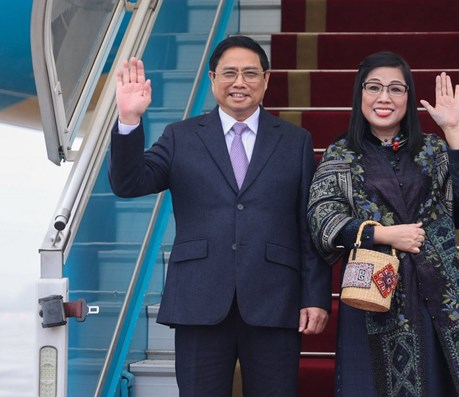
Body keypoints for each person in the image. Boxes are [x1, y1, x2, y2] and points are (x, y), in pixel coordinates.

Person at [109, 36, 332, 396]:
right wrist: (129, 119)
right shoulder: (180, 136)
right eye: (229, 73)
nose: (239, 82)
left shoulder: (296, 141)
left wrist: (316, 295)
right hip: (199, 297)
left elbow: (309, 226)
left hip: (275, 298)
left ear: (266, 80)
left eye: (250, 73)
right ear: (212, 79)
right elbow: (128, 183)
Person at [307, 51, 459, 397]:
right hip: (372, 297)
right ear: (360, 93)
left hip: (432, 295)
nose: (384, 98)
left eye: (396, 89)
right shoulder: (341, 154)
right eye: (374, 87)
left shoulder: (432, 150)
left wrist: (453, 129)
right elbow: (322, 220)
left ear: (408, 96)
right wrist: (383, 234)